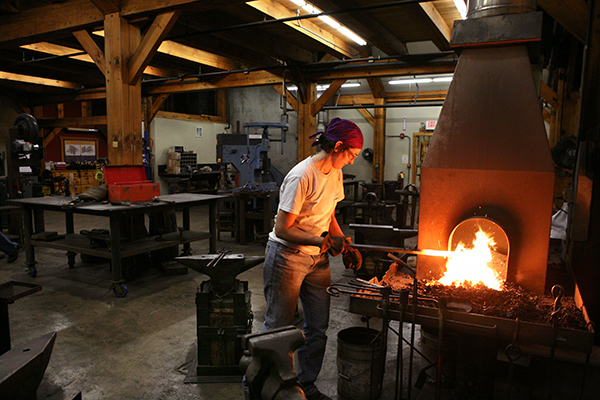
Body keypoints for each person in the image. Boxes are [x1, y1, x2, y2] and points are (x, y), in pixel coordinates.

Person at [260, 117, 363, 400]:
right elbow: (283, 228)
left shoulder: (336, 172)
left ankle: (305, 384)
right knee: (278, 328)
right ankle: (260, 386)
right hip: (287, 258)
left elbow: (328, 214)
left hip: (317, 261)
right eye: (352, 155)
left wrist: (343, 243)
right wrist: (321, 241)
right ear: (338, 146)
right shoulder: (301, 175)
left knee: (317, 327)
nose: (353, 161)